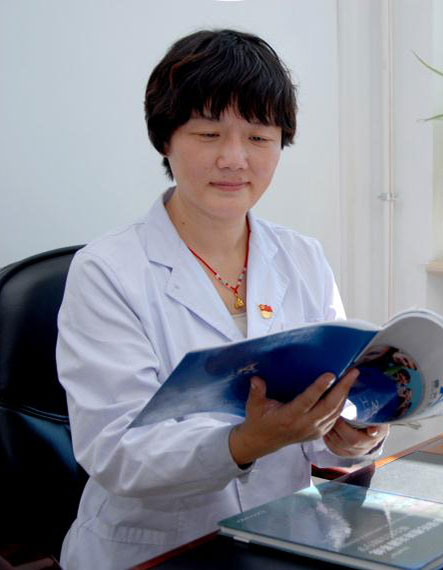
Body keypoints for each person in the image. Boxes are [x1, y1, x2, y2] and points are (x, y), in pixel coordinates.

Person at [56, 29, 388, 569]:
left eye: (258, 137)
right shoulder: (106, 271)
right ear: (165, 140)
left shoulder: (302, 257)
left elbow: (320, 428)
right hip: (154, 553)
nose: (234, 159)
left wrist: (353, 434)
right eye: (209, 133)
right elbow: (116, 453)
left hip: (281, 542)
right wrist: (245, 442)